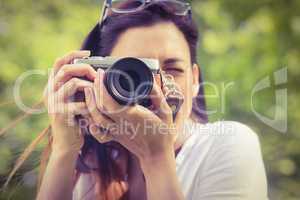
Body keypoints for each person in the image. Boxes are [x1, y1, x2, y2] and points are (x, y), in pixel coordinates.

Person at [36, 1, 268, 200]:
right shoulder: (97, 165)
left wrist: (157, 158)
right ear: (100, 77)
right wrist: (64, 148)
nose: (157, 87)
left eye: (173, 69)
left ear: (195, 79)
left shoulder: (228, 144)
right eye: (134, 72)